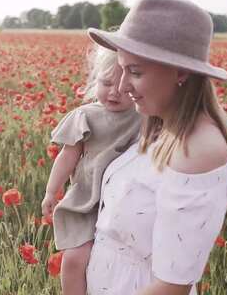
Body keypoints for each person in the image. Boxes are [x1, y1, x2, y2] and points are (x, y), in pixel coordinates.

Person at [85, 0, 227, 295]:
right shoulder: (159, 124)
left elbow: (171, 287)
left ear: (181, 73)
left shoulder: (198, 150)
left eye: (136, 72)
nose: (122, 86)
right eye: (122, 68)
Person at [41, 47, 141, 295]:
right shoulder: (85, 116)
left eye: (122, 86)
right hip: (87, 200)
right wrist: (52, 191)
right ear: (95, 79)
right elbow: (67, 156)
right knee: (75, 258)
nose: (114, 92)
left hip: (123, 202)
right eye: (106, 82)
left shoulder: (142, 117)